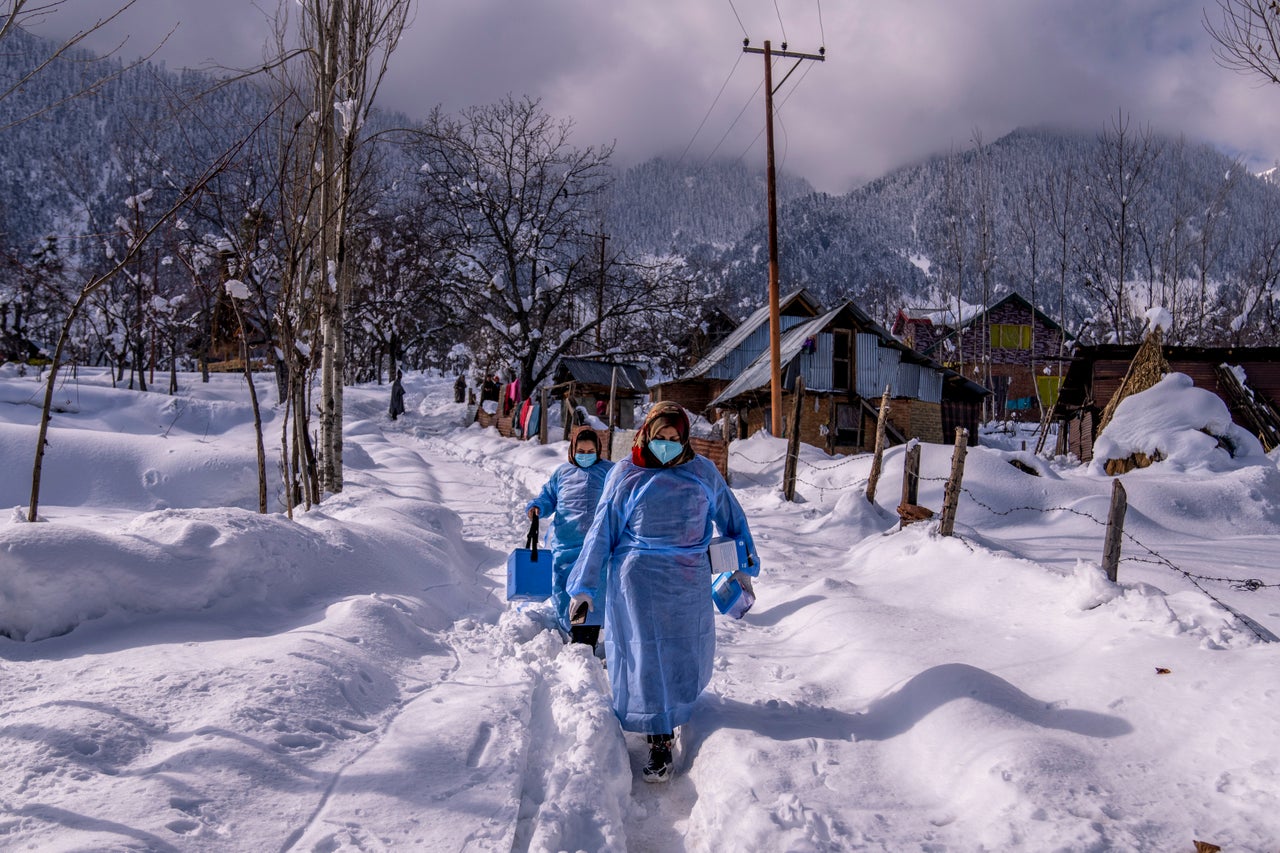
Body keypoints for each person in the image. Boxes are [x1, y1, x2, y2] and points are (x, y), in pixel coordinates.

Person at [566, 402, 759, 783]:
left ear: (684, 438)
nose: (667, 445)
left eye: (674, 438)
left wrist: (743, 565)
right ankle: (659, 742)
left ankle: (674, 719)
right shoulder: (626, 473)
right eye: (660, 438)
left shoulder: (702, 472)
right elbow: (601, 530)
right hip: (638, 580)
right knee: (647, 657)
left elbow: (733, 518)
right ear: (646, 435)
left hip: (688, 580)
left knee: (683, 654)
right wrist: (584, 587)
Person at [525, 427, 614, 649]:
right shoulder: (562, 473)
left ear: (599, 450)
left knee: (593, 593)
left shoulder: (610, 472)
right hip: (565, 546)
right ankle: (569, 632)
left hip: (596, 548)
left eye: (591, 450)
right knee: (564, 591)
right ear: (572, 449)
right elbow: (548, 496)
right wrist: (537, 507)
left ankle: (587, 640)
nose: (586, 454)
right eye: (581, 450)